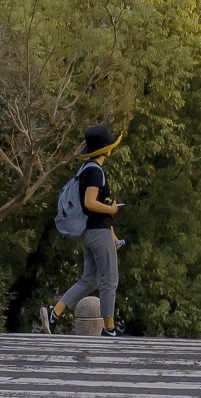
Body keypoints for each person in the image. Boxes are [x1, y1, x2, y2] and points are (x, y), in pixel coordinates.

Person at [41, 123, 124, 337]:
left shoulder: (86, 169)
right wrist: (112, 209)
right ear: (104, 148)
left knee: (90, 280)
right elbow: (90, 203)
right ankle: (109, 328)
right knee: (110, 279)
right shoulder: (96, 172)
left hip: (91, 232)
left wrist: (113, 235)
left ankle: (54, 313)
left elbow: (97, 208)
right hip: (97, 232)